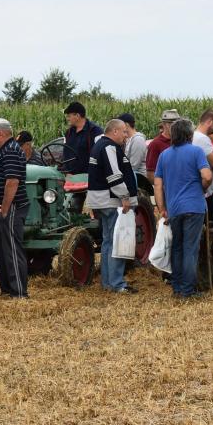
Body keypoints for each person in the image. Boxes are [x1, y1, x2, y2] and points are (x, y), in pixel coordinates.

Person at [153, 118, 212, 299]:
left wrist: (162, 208)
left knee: (176, 248)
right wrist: (201, 187)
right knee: (190, 249)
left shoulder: (164, 155)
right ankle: (188, 290)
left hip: (174, 208)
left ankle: (177, 288)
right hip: (194, 206)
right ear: (189, 134)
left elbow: (157, 184)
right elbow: (208, 176)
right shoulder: (196, 152)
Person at [87, 119, 139, 294]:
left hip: (101, 200)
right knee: (117, 241)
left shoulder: (99, 145)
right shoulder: (109, 147)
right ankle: (117, 283)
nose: (126, 135)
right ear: (115, 131)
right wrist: (124, 196)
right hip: (111, 200)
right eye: (124, 132)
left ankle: (108, 282)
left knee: (108, 241)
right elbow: (114, 175)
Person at [0, 118, 29, 299]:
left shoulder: (10, 151)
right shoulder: (5, 151)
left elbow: (12, 182)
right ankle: (7, 290)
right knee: (2, 251)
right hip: (2, 208)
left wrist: (4, 210)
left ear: (0, 133)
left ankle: (19, 292)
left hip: (11, 207)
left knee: (11, 250)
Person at [193, 109, 213, 231]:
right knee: (211, 227)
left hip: (201, 190)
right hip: (206, 192)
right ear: (209, 121)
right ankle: (210, 249)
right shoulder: (202, 139)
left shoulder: (194, 136)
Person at [62, 101, 102, 175]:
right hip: (71, 176)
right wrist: (66, 171)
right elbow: (65, 153)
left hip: (89, 176)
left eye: (69, 116)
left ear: (77, 116)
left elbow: (101, 155)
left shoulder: (95, 131)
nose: (67, 119)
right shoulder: (68, 132)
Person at [146, 109, 180, 184]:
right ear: (164, 124)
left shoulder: (181, 141)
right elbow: (151, 174)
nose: (175, 126)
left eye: (177, 124)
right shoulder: (155, 144)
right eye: (170, 123)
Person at [117, 113, 147, 177]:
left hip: (139, 178)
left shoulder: (138, 140)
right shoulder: (127, 140)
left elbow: (134, 165)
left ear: (126, 125)